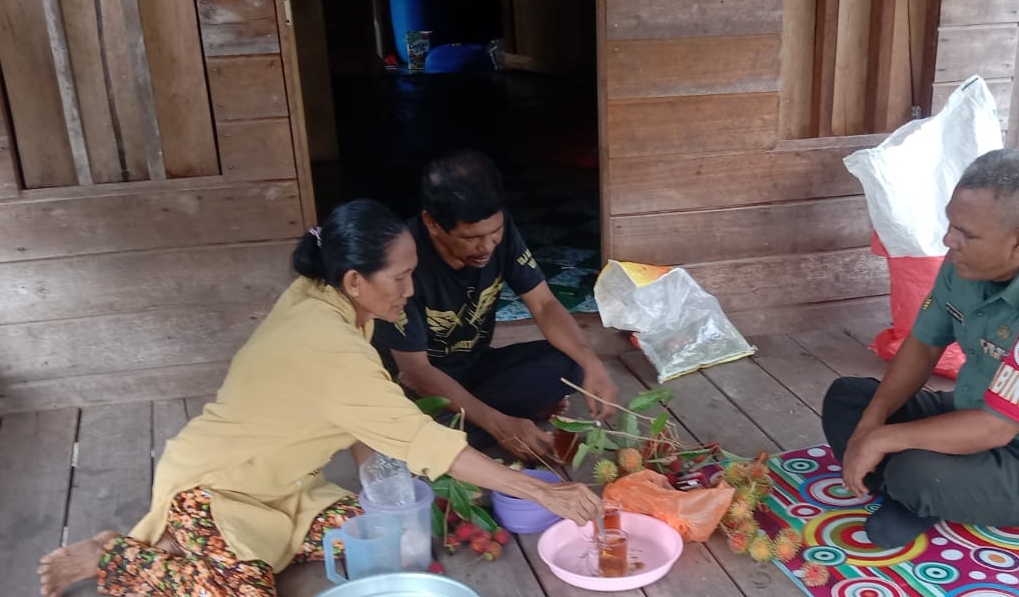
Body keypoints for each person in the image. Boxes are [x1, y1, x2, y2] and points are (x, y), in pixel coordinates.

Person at [37, 199, 601, 597]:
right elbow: (421, 438)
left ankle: (198, 550)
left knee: (385, 527)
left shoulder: (329, 297)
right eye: (401, 278)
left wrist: (384, 482)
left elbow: (365, 420)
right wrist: (539, 493)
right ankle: (113, 557)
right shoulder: (326, 343)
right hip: (217, 488)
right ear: (355, 279)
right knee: (244, 589)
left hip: (285, 488)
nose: (410, 290)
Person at [821, 149, 1019, 549]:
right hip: (969, 412)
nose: (949, 240)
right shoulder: (965, 264)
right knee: (849, 399)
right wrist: (873, 424)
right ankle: (928, 494)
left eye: (967, 234)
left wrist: (882, 441)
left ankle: (918, 491)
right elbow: (923, 346)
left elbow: (997, 426)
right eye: (951, 224)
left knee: (914, 469)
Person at [374, 150, 617, 460]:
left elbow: (543, 303)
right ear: (432, 224)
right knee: (415, 434)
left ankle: (474, 428)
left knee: (569, 363)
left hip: (474, 369)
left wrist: (591, 363)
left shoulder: (496, 233)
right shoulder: (401, 260)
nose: (487, 246)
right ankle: (470, 431)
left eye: (495, 233)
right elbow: (416, 373)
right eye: (472, 238)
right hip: (418, 393)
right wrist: (500, 424)